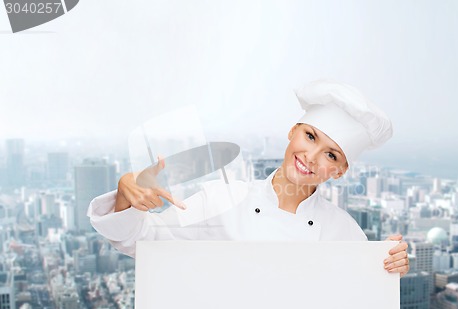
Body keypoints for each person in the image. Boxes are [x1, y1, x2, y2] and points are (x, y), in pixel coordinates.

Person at [88, 79, 409, 277]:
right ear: (292, 132)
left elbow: (357, 305)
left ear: (340, 171)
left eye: (331, 154)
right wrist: (125, 193)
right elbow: (140, 242)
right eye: (310, 137)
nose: (311, 157)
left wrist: (388, 267)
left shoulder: (345, 232)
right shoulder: (221, 199)